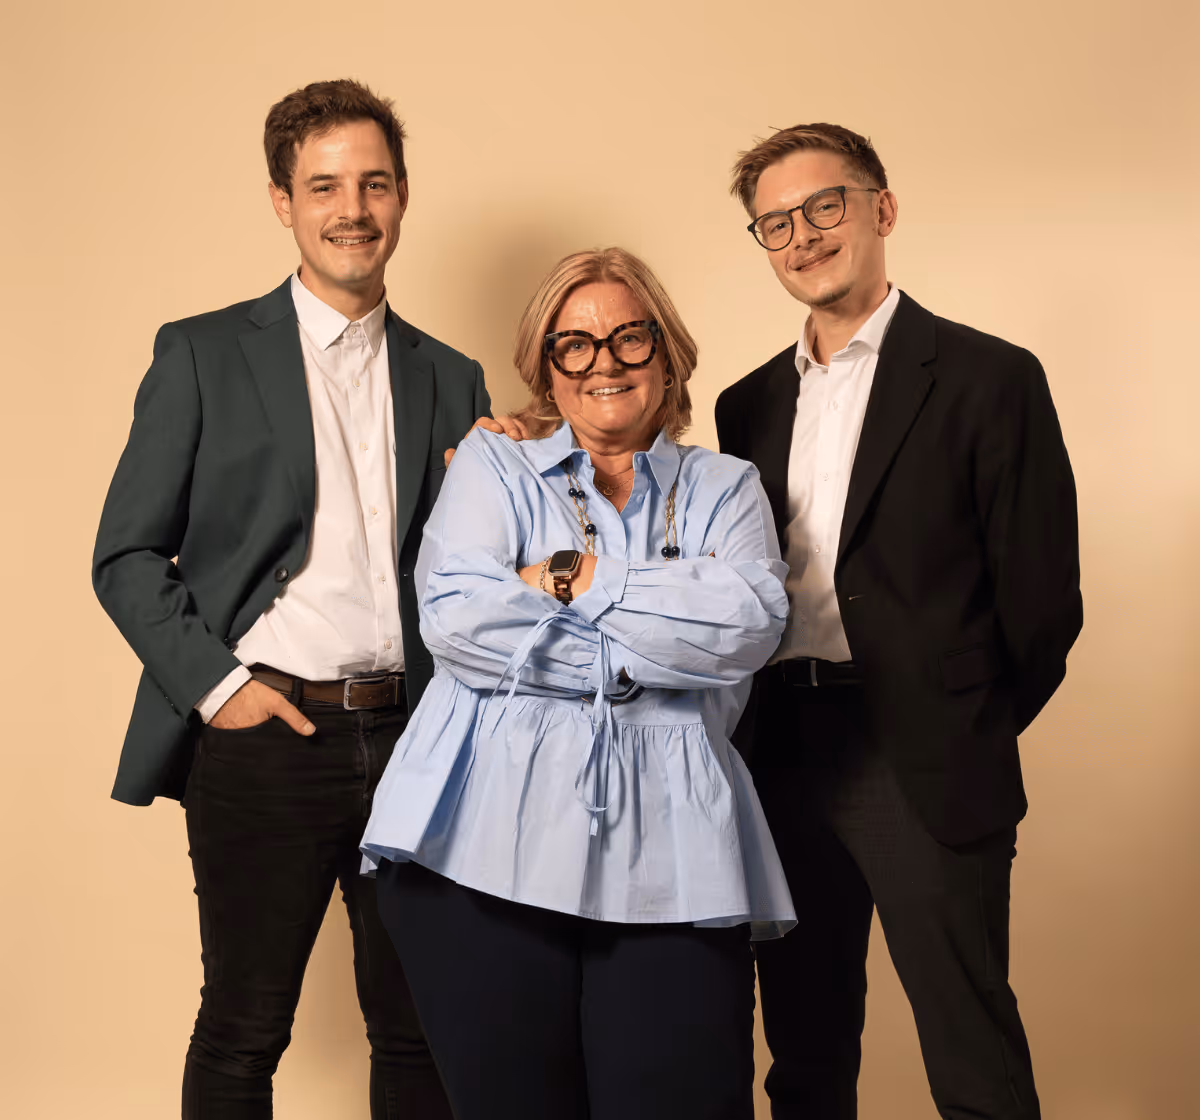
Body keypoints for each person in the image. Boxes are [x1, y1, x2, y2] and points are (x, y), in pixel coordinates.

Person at [92, 79, 507, 1119]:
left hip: (419, 736)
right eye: (324, 185)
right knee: (243, 1026)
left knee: (422, 1027)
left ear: (404, 196)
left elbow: (481, 573)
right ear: (283, 200)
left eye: (373, 183)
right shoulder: (201, 353)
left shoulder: (451, 377)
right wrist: (219, 687)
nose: (351, 208)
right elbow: (127, 554)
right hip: (268, 734)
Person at [359, 247, 796, 1120]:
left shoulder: (727, 486)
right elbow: (455, 619)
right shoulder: (493, 464)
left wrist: (572, 577)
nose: (604, 362)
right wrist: (661, 654)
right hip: (478, 844)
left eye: (630, 338)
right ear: (546, 368)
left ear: (665, 354)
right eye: (575, 344)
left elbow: (748, 626)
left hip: (676, 850)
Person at [715, 124, 1082, 1120]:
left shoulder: (989, 378)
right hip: (782, 751)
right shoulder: (743, 405)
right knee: (804, 1050)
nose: (802, 236)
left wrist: (962, 718)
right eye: (775, 222)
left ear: (881, 208)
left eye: (824, 205)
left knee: (970, 1051)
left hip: (922, 746)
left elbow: (1044, 602)